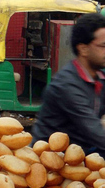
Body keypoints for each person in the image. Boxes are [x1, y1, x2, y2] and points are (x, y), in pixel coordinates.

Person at [32, 13, 105, 157]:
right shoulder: (66, 85)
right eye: (103, 46)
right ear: (83, 49)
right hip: (52, 162)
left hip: (82, 155)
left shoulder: (100, 78)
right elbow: (96, 132)